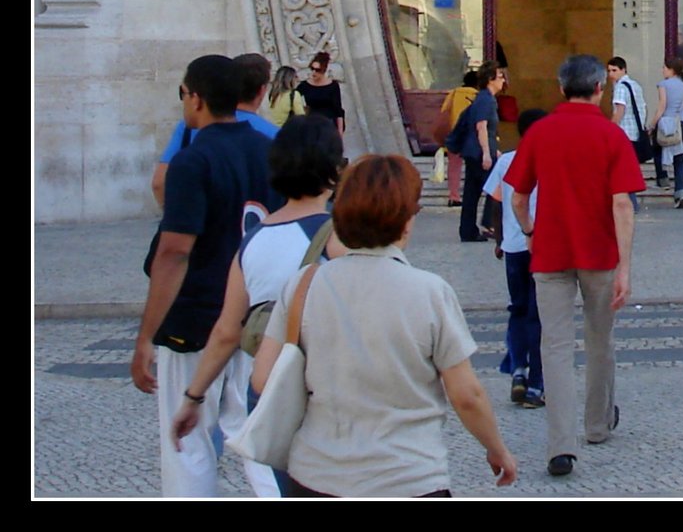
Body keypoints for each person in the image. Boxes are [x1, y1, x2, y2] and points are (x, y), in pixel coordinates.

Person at [253, 155, 517, 496]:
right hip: (408, 476)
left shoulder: (304, 285)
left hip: (318, 475)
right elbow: (466, 394)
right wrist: (496, 449)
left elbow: (262, 378)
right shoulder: (429, 292)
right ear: (404, 219)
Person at [169, 114, 345, 496]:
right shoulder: (341, 238)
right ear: (333, 170)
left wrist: (193, 397)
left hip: (268, 387)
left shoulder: (253, 242)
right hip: (333, 389)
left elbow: (227, 331)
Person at [132, 55, 283, 497]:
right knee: (254, 429)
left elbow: (175, 251)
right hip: (255, 313)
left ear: (195, 97)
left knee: (186, 436)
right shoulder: (270, 151)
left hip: (196, 315)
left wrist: (146, 335)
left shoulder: (193, 160)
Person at [508, 55, 645, 478]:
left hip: (550, 252)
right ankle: (598, 425)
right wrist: (625, 266)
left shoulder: (541, 132)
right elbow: (622, 203)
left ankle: (559, 446)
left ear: (560, 86)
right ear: (600, 89)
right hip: (599, 253)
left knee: (555, 347)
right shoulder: (611, 135)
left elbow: (516, 195)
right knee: (600, 340)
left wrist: (530, 232)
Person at [150, 52, 280, 207]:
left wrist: (178, 218)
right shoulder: (274, 135)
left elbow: (159, 182)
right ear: (262, 90)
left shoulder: (190, 126)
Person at [485, 107, 549, 409]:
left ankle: (518, 370)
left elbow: (496, 203)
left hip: (512, 247)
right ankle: (537, 382)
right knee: (539, 315)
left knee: (518, 309)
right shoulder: (550, 162)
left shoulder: (506, 161)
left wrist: (499, 240)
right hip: (541, 247)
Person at [458, 60, 505, 242]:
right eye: (500, 77)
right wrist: (487, 152)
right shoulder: (487, 100)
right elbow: (482, 126)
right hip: (479, 153)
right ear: (490, 79)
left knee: (472, 192)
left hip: (473, 151)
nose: (503, 81)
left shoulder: (483, 98)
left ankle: (468, 230)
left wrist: (494, 150)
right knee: (495, 187)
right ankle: (490, 223)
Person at [607, 57, 650, 213]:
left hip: (623, 133)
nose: (611, 74)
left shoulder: (620, 87)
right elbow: (643, 108)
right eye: (609, 71)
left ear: (623, 70)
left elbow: (619, 111)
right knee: (627, 169)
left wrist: (610, 129)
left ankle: (630, 204)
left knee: (620, 170)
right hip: (635, 133)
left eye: (614, 70)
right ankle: (631, 203)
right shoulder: (635, 86)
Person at [654, 55, 683, 208]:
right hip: (682, 123)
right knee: (680, 160)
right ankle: (682, 191)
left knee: (657, 148)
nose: (662, 70)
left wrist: (653, 124)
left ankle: (662, 178)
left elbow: (662, 105)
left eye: (664, 68)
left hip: (666, 123)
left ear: (671, 70)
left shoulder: (663, 85)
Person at [437, 69, 480, 208]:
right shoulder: (478, 96)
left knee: (454, 166)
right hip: (471, 136)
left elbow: (444, 112)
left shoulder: (454, 93)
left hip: (454, 134)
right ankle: (472, 194)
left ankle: (454, 195)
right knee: (473, 166)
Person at [296, 51, 345, 135]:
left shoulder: (333, 86)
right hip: (313, 124)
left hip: (329, 124)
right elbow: (293, 98)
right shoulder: (304, 85)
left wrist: (339, 133)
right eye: (312, 69)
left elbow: (338, 111)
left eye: (317, 70)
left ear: (324, 70)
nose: (314, 72)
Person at [265, 65, 308, 129]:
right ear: (290, 79)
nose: (298, 79)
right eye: (295, 77)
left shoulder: (271, 95)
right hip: (287, 133)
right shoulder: (293, 95)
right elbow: (301, 118)